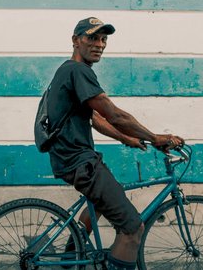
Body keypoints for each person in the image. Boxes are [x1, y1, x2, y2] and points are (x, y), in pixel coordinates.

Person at [46, 17, 185, 270]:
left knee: (103, 198)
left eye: (103, 39)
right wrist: (155, 138)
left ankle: (70, 256)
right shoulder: (78, 71)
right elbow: (114, 114)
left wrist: (125, 138)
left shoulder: (67, 71)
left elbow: (95, 118)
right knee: (133, 229)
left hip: (72, 159)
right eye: (91, 38)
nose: (99, 44)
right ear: (76, 41)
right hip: (80, 162)